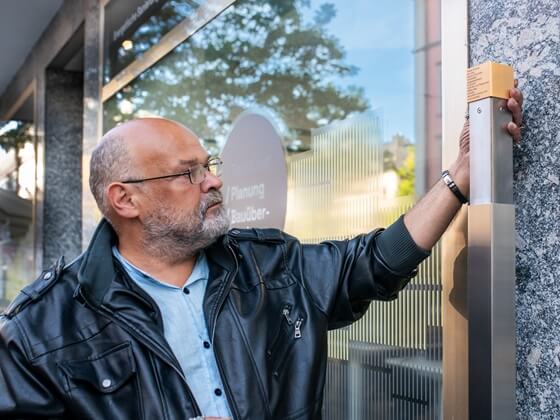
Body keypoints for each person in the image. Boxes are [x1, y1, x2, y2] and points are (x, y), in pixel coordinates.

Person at [0, 87, 523, 419]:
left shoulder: (270, 267)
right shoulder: (42, 329)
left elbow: (374, 262)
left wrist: (460, 176)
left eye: (209, 164)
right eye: (189, 173)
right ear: (125, 199)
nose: (213, 181)